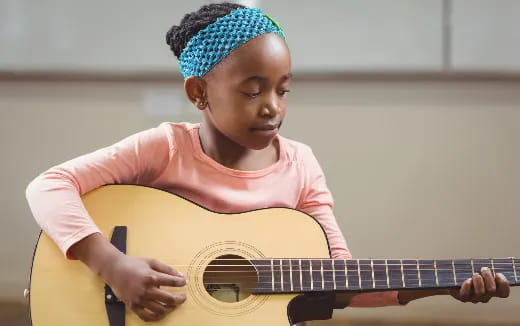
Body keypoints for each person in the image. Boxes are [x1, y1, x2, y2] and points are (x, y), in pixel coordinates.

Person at [25, 2, 510, 324]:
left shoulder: (300, 164)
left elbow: (339, 281)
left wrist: (442, 286)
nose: (272, 106)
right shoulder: (165, 147)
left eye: (283, 90)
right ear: (199, 93)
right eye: (253, 90)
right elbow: (48, 186)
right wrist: (112, 264)